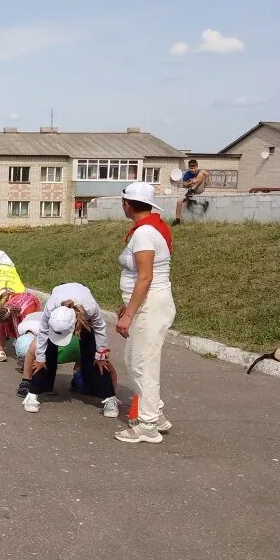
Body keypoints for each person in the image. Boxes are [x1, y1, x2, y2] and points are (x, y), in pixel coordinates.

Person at [115, 181, 176, 444]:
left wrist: (129, 314)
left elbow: (145, 277)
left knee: (144, 365)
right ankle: (156, 413)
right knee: (135, 361)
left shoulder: (143, 234)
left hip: (150, 304)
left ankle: (148, 425)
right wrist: (129, 306)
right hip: (147, 303)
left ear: (126, 204)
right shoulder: (152, 227)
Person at [21, 282, 120, 418]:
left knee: (93, 356)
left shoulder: (89, 309)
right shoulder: (51, 309)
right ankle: (33, 394)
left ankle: (110, 399)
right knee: (45, 356)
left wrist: (101, 356)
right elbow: (43, 333)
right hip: (59, 302)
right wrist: (40, 359)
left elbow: (100, 328)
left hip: (83, 315)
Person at [0, 290, 41, 363]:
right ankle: (3, 349)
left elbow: (20, 329)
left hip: (28, 308)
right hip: (21, 307)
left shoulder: (17, 309)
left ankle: (28, 355)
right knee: (5, 327)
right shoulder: (4, 308)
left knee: (28, 332)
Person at [173, 158, 208, 225]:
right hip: (190, 189)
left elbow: (208, 182)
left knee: (201, 174)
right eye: (191, 168)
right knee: (179, 201)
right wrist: (189, 183)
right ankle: (177, 220)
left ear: (197, 166)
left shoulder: (201, 172)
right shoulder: (187, 174)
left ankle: (192, 190)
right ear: (189, 168)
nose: (193, 170)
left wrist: (206, 175)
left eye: (194, 168)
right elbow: (183, 185)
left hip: (199, 188)